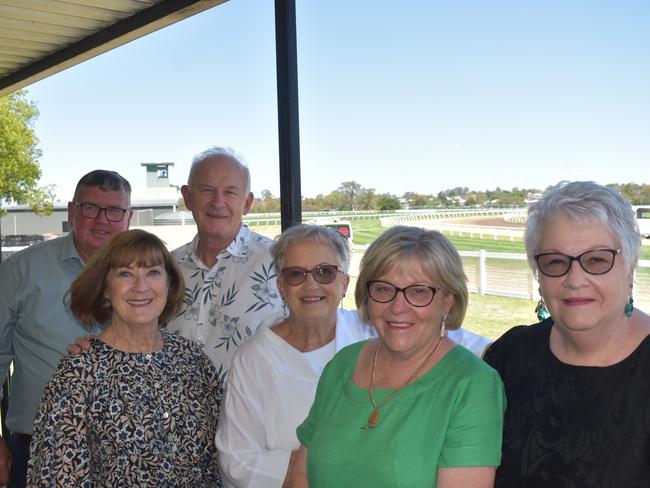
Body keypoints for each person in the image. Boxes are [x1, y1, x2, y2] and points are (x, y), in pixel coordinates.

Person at [291, 226, 505, 487]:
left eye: (418, 291)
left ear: (447, 301)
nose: (398, 307)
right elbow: (301, 475)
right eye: (383, 289)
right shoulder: (342, 364)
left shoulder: (472, 385)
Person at [483, 181, 650, 487]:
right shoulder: (508, 358)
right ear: (539, 275)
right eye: (556, 262)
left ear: (630, 268)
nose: (575, 280)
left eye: (597, 260)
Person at [27, 229, 221, 487]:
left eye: (152, 272)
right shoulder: (78, 375)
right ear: (106, 289)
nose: (141, 287)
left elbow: (216, 464)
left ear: (169, 284)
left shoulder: (193, 360)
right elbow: (56, 478)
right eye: (125, 273)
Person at [0, 170, 132, 488]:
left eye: (114, 211)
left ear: (129, 218)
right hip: (38, 454)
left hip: (128, 457)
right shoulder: (21, 271)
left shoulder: (148, 276)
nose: (102, 220)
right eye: (90, 208)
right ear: (72, 212)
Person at [216, 224, 375, 487]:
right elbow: (238, 460)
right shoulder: (253, 359)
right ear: (281, 286)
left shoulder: (372, 338)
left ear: (344, 282)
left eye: (325, 272)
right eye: (296, 274)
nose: (311, 284)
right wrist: (324, 463)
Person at [166, 147, 287, 383]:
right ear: (187, 197)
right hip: (174, 418)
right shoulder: (164, 268)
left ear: (247, 203)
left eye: (230, 192)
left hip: (253, 418)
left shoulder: (281, 262)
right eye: (207, 190)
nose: (218, 202)